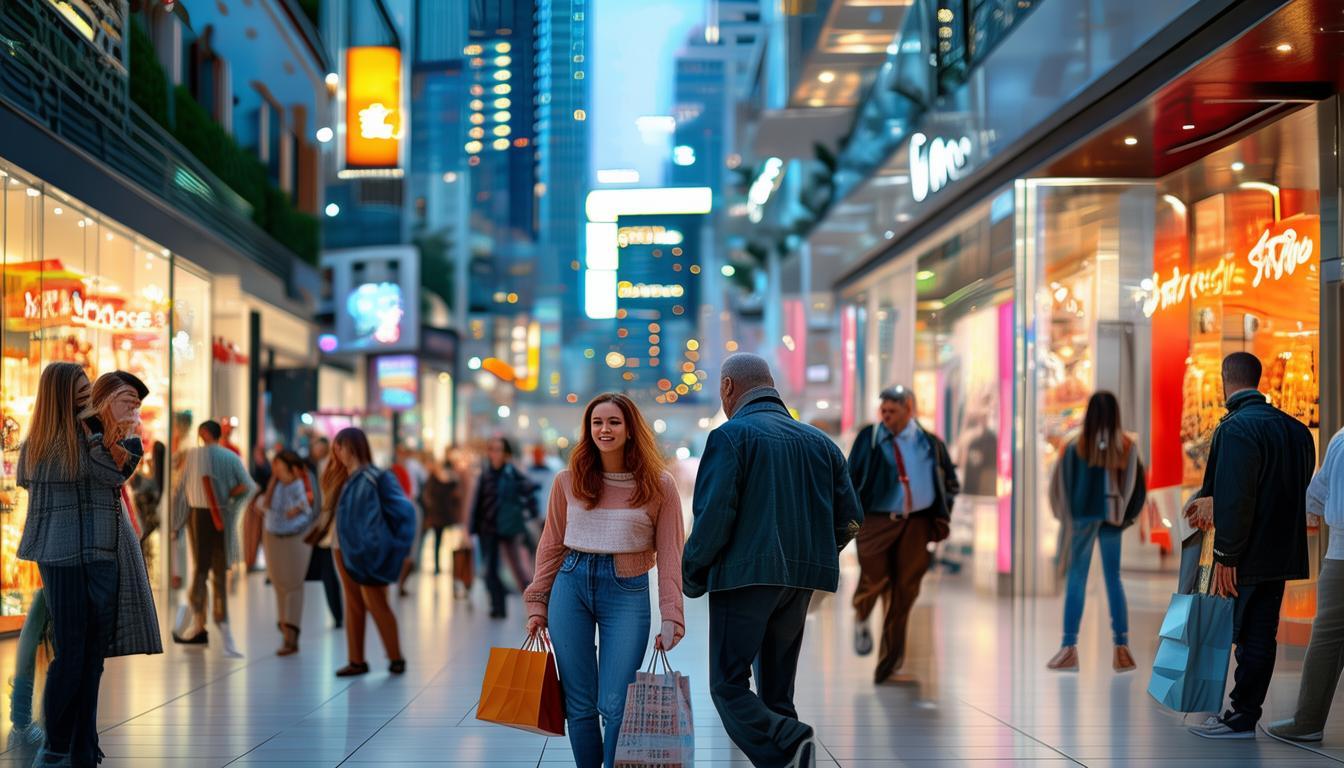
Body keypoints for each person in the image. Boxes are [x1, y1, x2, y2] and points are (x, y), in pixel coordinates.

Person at [683, 353, 863, 767]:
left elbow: (713, 517)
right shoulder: (821, 443)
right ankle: (793, 753)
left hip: (743, 579)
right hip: (799, 583)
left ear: (728, 387)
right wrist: (815, 555)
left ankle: (789, 737)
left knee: (728, 684)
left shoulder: (731, 437)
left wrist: (691, 573)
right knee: (778, 688)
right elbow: (851, 518)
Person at [525, 394, 685, 768]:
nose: (604, 429)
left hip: (626, 591)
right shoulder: (568, 481)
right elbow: (550, 545)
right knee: (578, 703)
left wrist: (672, 614)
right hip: (571, 585)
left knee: (616, 703)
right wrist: (537, 603)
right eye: (597, 422)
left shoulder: (659, 485)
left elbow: (671, 554)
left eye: (613, 422)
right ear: (588, 429)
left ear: (630, 430)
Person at [19, 367, 159, 767]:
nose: (86, 399)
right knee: (71, 650)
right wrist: (91, 433)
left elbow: (113, 472)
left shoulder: (120, 441)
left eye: (89, 392)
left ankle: (82, 745)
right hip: (58, 553)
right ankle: (57, 745)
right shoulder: (42, 444)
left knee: (92, 655)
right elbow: (54, 471)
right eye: (81, 393)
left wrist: (97, 431)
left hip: (103, 554)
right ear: (61, 396)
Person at [1185, 352, 1315, 739]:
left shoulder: (1236, 429)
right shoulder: (1296, 431)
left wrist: (1227, 554)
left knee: (1243, 633)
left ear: (1226, 379)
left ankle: (1239, 713)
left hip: (1244, 555)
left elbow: (1237, 498)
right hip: (1283, 550)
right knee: (1263, 631)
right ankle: (1245, 712)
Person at [846, 385, 959, 684]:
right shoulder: (869, 439)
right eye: (882, 411)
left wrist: (941, 513)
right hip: (875, 522)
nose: (886, 417)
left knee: (904, 592)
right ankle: (861, 614)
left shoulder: (929, 443)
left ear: (910, 409)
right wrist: (849, 518)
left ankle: (889, 666)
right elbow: (849, 478)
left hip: (916, 524)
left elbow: (950, 480)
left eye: (892, 412)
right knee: (874, 579)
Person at [1045, 392, 1147, 673]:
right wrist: (1125, 516)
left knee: (1076, 578)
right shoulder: (1127, 445)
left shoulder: (1073, 444)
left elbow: (1059, 485)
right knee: (1113, 579)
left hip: (1080, 519)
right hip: (1112, 519)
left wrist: (1065, 516)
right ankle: (1122, 647)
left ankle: (1068, 648)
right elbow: (1136, 487)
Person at [1266, 425, 1344, 743]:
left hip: (1341, 554)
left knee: (1326, 638)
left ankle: (1308, 720)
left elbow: (1316, 496)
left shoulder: (1340, 439)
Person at [323, 427, 416, 677]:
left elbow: (405, 512)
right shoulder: (345, 477)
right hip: (341, 547)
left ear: (350, 447)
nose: (337, 453)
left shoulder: (375, 477)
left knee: (376, 603)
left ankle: (395, 657)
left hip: (366, 551)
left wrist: (397, 549)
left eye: (339, 447)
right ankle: (356, 660)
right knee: (353, 603)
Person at [171, 420, 257, 657]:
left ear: (203, 433)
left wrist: (175, 523)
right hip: (221, 516)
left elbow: (180, 491)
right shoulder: (231, 457)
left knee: (200, 569)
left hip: (199, 515)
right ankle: (223, 626)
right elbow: (248, 486)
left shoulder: (194, 455)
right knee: (218, 572)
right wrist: (228, 498)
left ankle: (198, 624)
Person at [469, 437, 539, 619]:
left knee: (517, 568)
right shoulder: (485, 474)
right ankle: (497, 607)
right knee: (489, 569)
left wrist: (528, 514)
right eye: (491, 449)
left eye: (498, 449)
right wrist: (472, 528)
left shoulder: (513, 472)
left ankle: (534, 605)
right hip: (488, 528)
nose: (494, 453)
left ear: (506, 453)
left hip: (509, 526)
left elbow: (531, 490)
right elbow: (479, 502)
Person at [259, 450, 318, 655]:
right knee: (279, 584)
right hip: (273, 534)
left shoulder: (300, 483)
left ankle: (291, 636)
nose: (276, 470)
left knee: (292, 585)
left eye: (280, 467)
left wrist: (295, 511)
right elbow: (266, 505)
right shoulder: (276, 485)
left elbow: (306, 506)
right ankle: (285, 629)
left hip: (296, 534)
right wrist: (273, 481)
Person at [304, 436, 343, 627]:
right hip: (325, 527)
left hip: (332, 527)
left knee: (335, 573)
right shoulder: (317, 467)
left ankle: (340, 614)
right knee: (330, 573)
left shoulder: (335, 469)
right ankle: (338, 614)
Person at [420, 452, 464, 576]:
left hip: (440, 516)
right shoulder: (434, 480)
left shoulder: (437, 481)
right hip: (437, 517)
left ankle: (441, 567)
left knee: (440, 541)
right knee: (437, 540)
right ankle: (436, 566)